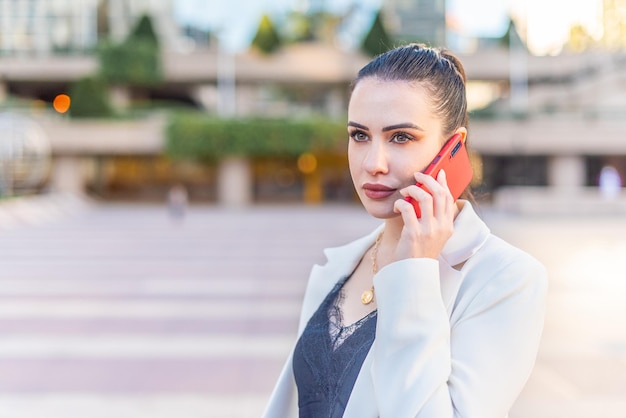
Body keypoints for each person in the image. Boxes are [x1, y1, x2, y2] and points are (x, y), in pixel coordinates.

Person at [262, 43, 548, 418]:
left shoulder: (506, 279)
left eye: (401, 137)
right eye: (359, 135)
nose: (373, 163)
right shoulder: (336, 268)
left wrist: (415, 272)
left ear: (453, 148)